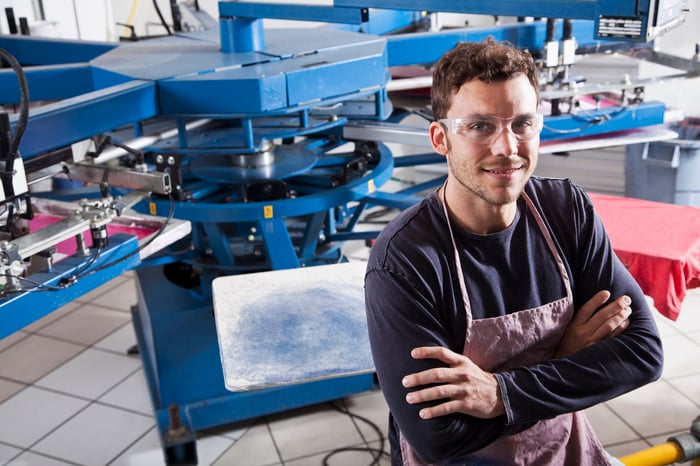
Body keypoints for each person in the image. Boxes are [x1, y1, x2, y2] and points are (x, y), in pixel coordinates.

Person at [364, 37, 663, 466]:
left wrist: (500, 393)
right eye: (480, 126)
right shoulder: (405, 261)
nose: (507, 147)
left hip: (564, 452)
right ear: (440, 138)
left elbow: (643, 353)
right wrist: (565, 360)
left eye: (522, 123)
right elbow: (438, 436)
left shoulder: (566, 211)